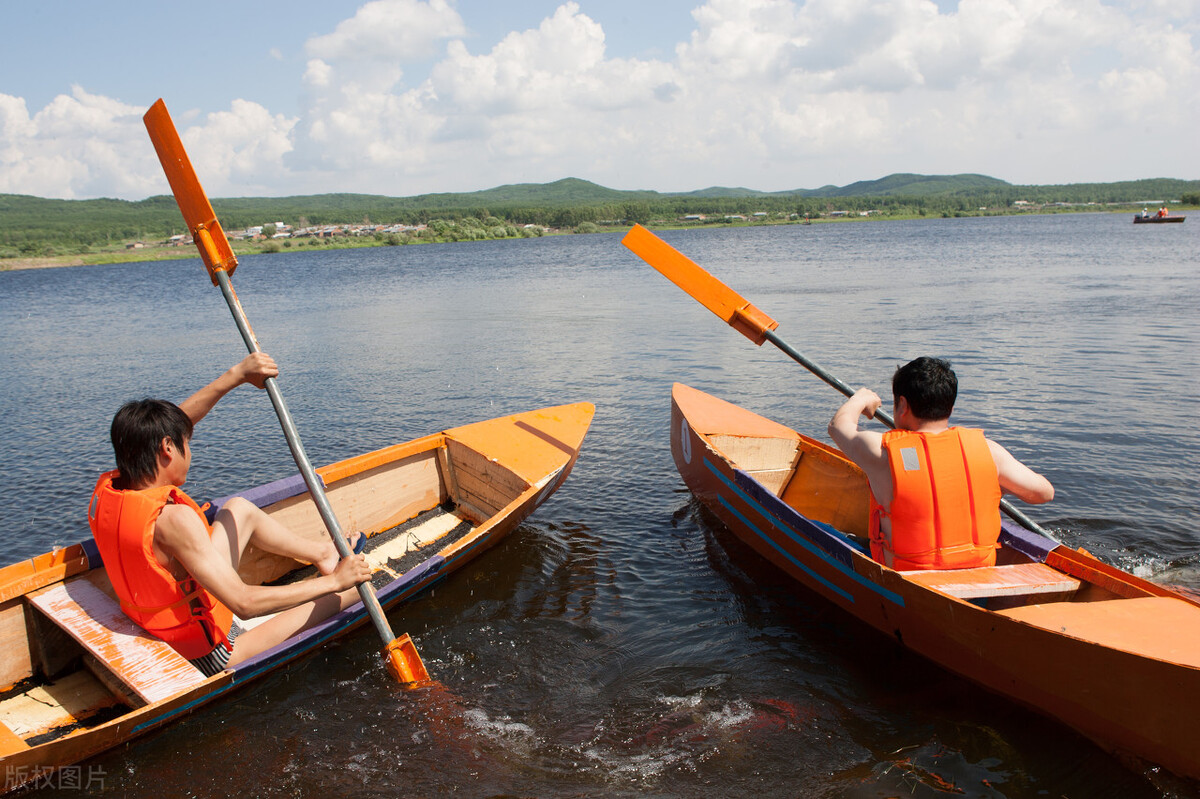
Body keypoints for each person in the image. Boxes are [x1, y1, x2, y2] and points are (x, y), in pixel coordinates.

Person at [89, 353, 372, 676]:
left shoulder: (109, 491)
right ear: (168, 449)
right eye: (187, 443)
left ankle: (322, 553)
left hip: (157, 623)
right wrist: (334, 582)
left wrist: (237, 375)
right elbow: (244, 604)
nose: (190, 451)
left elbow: (177, 423)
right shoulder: (172, 522)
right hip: (209, 653)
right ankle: (332, 574)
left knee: (239, 509)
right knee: (355, 590)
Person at [828, 356, 1054, 571]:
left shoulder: (881, 451)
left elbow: (838, 427)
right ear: (950, 408)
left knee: (823, 530)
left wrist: (861, 399)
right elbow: (1044, 493)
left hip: (907, 576)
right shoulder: (989, 451)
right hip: (978, 575)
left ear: (902, 405)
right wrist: (994, 485)